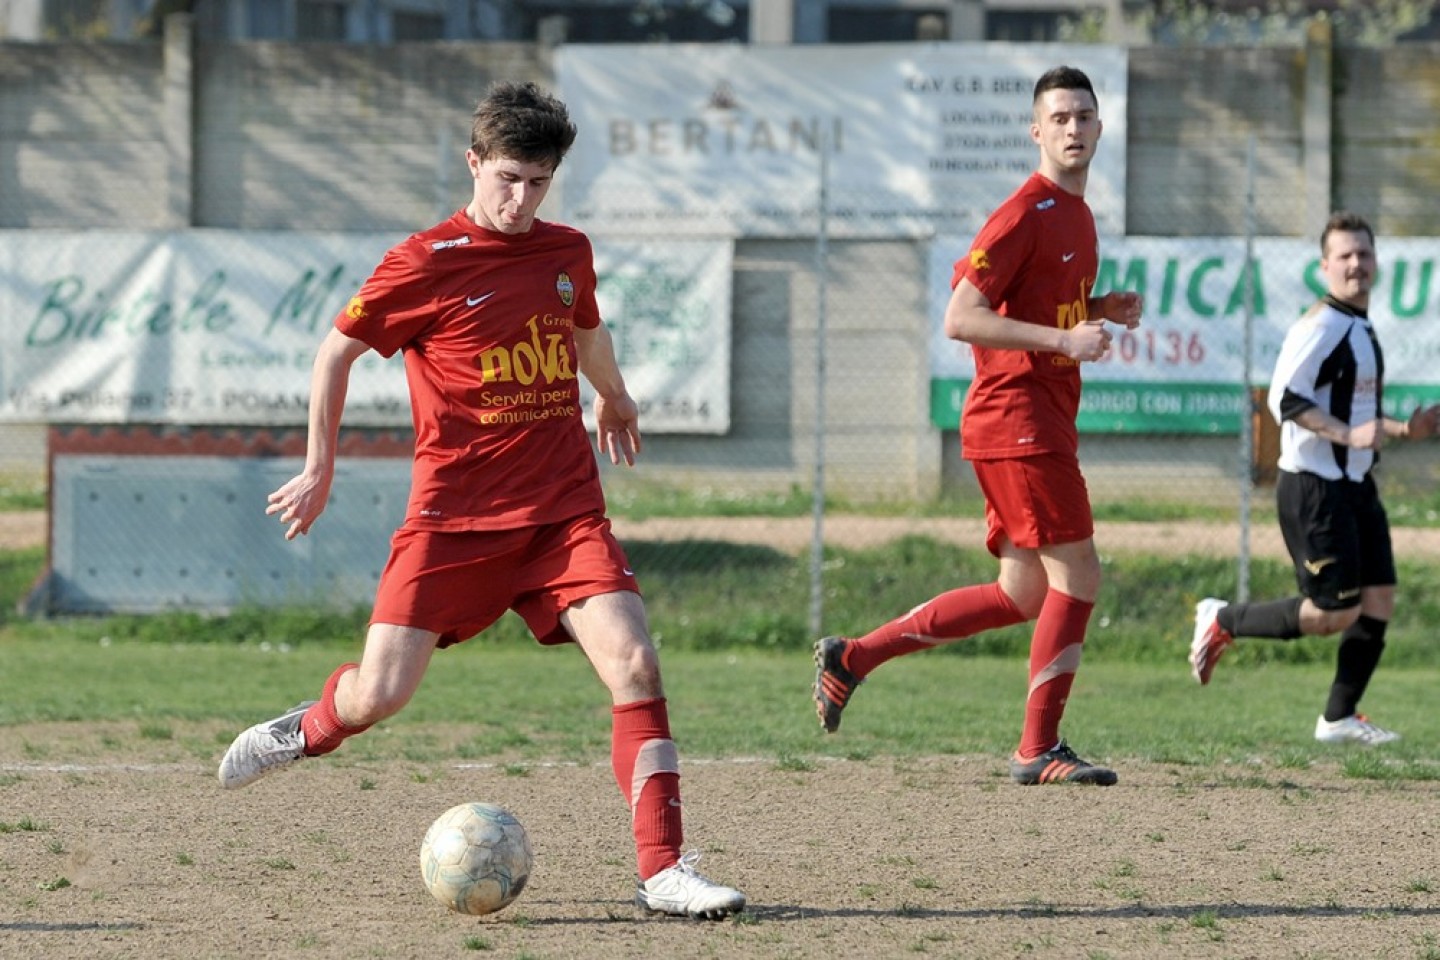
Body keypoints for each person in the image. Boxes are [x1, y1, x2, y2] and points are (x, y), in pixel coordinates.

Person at [217, 81, 745, 920]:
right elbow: (334, 354)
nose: (521, 198)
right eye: (507, 178)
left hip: (563, 513)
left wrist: (614, 395)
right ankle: (305, 728)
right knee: (379, 696)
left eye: (539, 181)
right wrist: (321, 467)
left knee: (637, 664)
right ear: (473, 163)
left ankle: (664, 872)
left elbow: (584, 327)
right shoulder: (425, 262)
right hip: (453, 523)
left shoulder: (565, 250)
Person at [812, 66, 1142, 785]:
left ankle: (853, 657)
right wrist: (1064, 341)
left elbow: (1045, 309)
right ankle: (1037, 748)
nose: (1073, 128)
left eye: (1084, 116)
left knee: (1022, 593)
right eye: (1059, 118)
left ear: (1100, 127)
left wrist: (1098, 310)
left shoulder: (1078, 215)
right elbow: (962, 317)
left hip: (1039, 418)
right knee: (1079, 574)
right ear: (1036, 130)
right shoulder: (1025, 211)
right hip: (1018, 420)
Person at [1189, 211, 1436, 745]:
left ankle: (1339, 718)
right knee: (1335, 612)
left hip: (1354, 484)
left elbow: (1353, 412)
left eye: (1364, 254)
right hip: (1314, 487)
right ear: (1325, 266)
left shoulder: (1359, 325)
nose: (1356, 264)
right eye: (1344, 256)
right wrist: (1349, 436)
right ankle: (1223, 616)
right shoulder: (1321, 326)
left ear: (1376, 263)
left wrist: (1404, 429)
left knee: (1379, 599)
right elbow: (1286, 399)